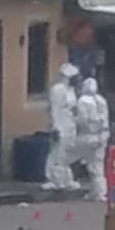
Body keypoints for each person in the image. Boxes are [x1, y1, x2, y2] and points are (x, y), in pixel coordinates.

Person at [43, 62, 81, 191]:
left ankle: (66, 179)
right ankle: (53, 179)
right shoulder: (58, 90)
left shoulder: (71, 90)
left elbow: (73, 108)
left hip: (70, 125)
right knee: (57, 153)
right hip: (60, 126)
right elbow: (54, 109)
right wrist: (55, 127)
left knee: (67, 154)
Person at [75, 76, 110, 202]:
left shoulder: (83, 101)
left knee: (92, 165)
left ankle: (98, 192)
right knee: (98, 164)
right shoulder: (101, 100)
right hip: (103, 135)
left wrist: (74, 120)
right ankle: (98, 191)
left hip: (89, 136)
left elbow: (82, 120)